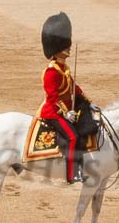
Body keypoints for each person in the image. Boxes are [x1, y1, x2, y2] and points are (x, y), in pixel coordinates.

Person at [38, 12, 93, 185]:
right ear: (57, 48)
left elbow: (73, 88)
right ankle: (71, 174)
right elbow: (53, 96)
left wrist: (89, 102)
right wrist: (65, 112)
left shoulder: (64, 68)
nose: (69, 48)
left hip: (67, 110)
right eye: (65, 45)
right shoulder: (52, 72)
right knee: (72, 137)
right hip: (53, 113)